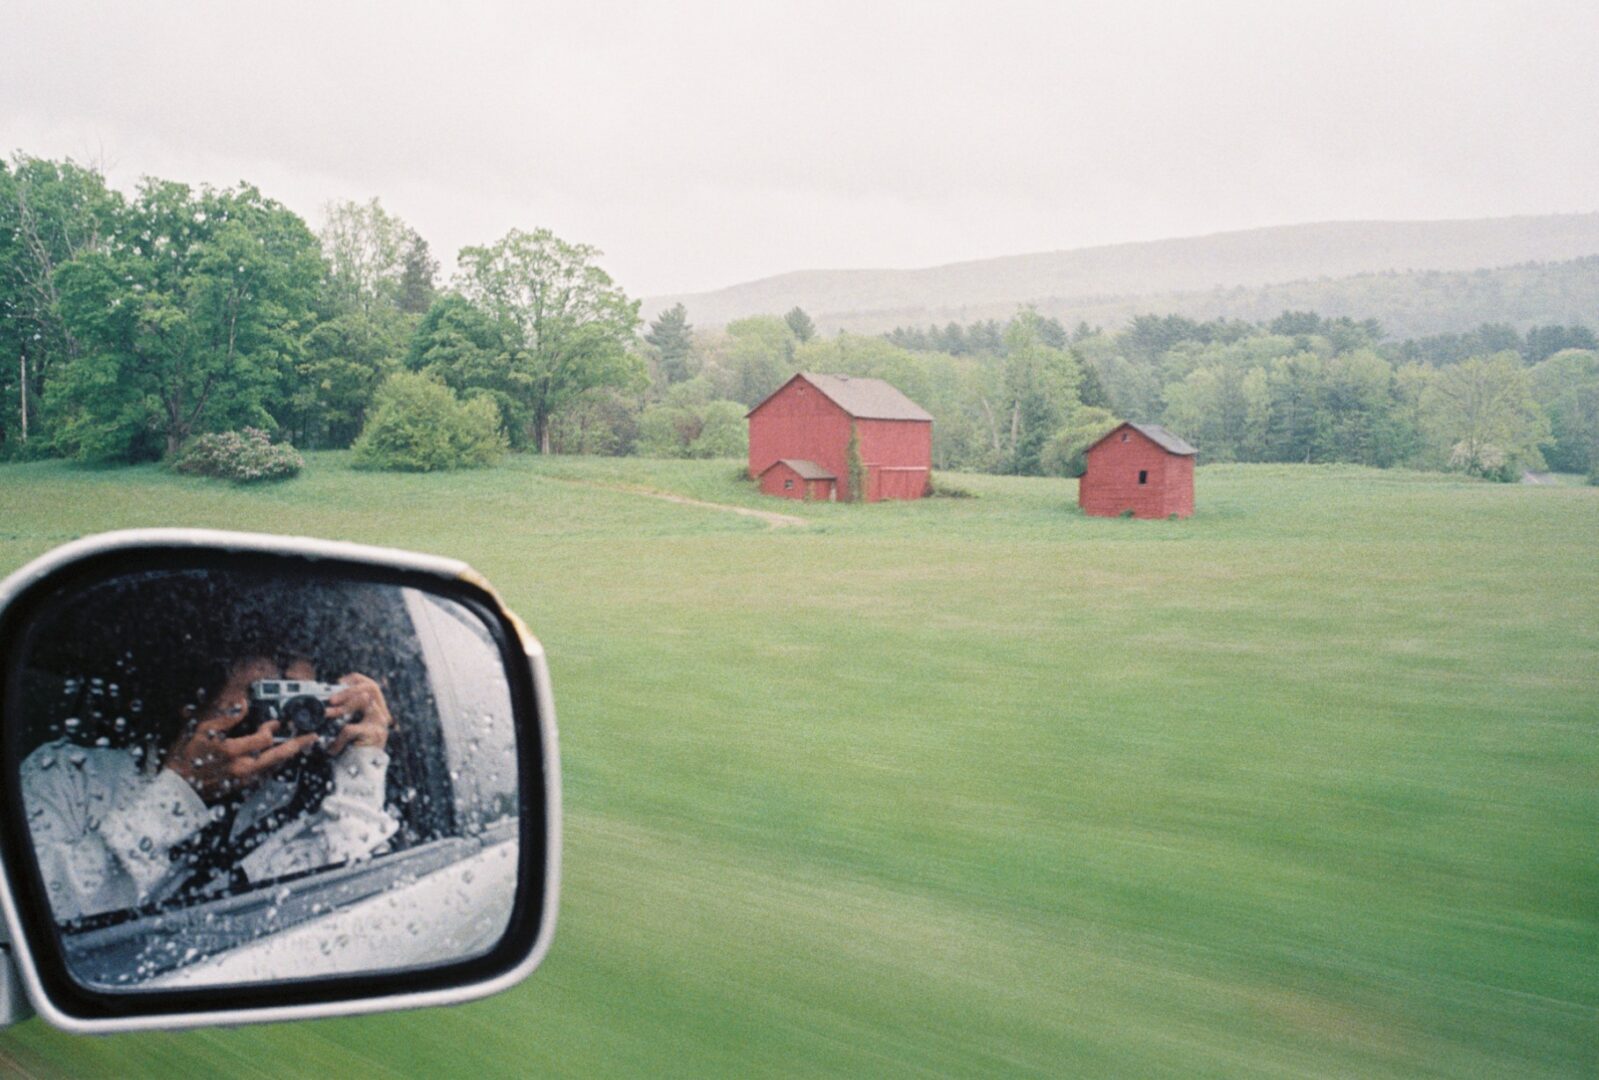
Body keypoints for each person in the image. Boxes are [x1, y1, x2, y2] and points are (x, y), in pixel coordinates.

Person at [21, 654, 400, 922]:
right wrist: (181, 792)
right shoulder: (70, 774)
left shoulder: (288, 816)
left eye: (304, 700)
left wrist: (362, 767)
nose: (287, 719)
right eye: (267, 696)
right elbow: (36, 913)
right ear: (193, 702)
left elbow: (345, 914)